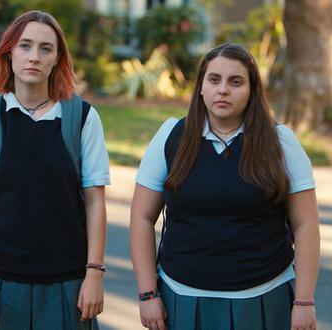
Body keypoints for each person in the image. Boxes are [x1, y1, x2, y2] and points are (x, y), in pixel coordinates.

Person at [130, 43, 320, 330]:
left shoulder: (281, 142)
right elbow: (142, 218)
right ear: (201, 87)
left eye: (236, 82)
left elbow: (306, 224)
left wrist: (304, 302)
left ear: (252, 90)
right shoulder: (171, 136)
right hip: (182, 298)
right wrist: (148, 293)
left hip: (263, 298)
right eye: (214, 79)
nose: (223, 90)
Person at [0, 10, 109, 329]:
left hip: (68, 287)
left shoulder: (82, 118)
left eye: (45, 48)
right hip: (0, 287)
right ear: (9, 51)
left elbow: (95, 201)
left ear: (57, 59)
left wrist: (94, 273)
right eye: (25, 45)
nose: (34, 57)